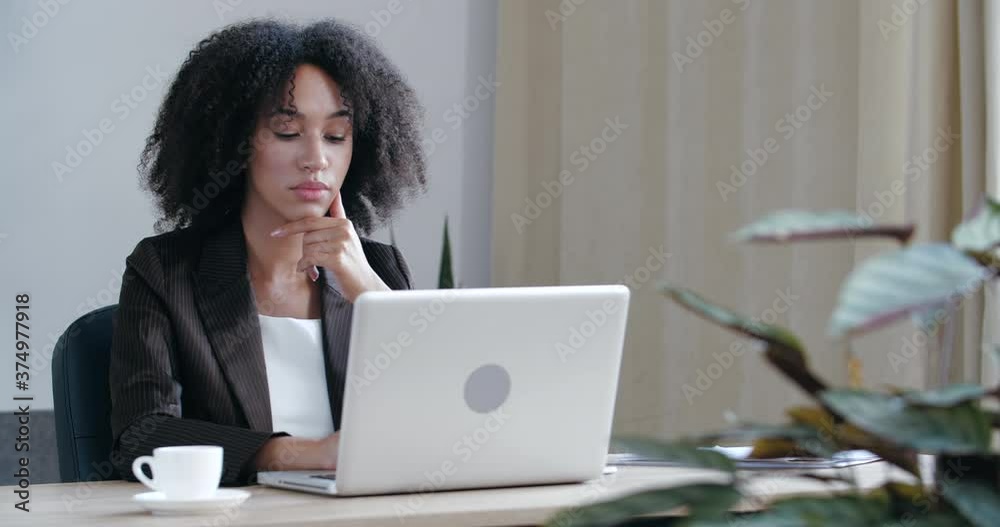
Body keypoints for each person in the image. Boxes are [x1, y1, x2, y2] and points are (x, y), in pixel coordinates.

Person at [108, 18, 426, 485]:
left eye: (336, 136)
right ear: (233, 144)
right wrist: (300, 454)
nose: (316, 157)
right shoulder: (165, 270)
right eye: (287, 131)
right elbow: (141, 436)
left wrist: (368, 293)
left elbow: (436, 419)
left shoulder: (379, 270)